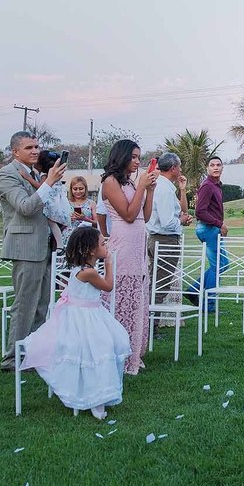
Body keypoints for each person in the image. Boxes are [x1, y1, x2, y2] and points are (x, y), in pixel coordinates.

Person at [20, 227, 132, 420]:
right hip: (82, 319)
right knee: (98, 349)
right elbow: (109, 286)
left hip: (92, 314)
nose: (106, 246)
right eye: (102, 244)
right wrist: (110, 263)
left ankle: (98, 394)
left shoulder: (83, 269)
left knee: (108, 345)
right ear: (91, 251)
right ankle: (95, 398)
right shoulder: (88, 272)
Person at [0, 132, 66, 371]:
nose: (35, 151)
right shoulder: (7, 174)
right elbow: (25, 207)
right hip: (26, 246)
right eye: (29, 147)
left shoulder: (36, 174)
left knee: (43, 302)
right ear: (15, 151)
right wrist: (47, 184)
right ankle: (12, 358)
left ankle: (33, 353)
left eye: (37, 146)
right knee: (25, 303)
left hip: (46, 244)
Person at [100, 139, 156, 374]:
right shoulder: (110, 182)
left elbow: (145, 215)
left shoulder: (131, 183)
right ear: (121, 156)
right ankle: (118, 353)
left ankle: (134, 351)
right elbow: (128, 215)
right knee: (122, 296)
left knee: (137, 298)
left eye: (138, 157)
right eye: (133, 157)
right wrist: (142, 185)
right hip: (122, 245)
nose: (137, 161)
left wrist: (149, 190)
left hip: (137, 244)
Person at [146, 152, 192, 305]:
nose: (180, 170)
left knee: (154, 282)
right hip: (165, 241)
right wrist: (181, 220)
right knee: (161, 285)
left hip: (155, 238)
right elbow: (167, 222)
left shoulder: (160, 185)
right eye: (179, 167)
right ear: (173, 168)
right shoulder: (164, 189)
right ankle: (152, 326)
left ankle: (148, 323)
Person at [195, 156, 229, 310]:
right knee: (218, 266)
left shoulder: (216, 186)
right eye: (212, 165)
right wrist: (220, 224)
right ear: (207, 168)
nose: (215, 167)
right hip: (207, 228)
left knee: (222, 264)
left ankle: (194, 290)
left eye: (218, 165)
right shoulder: (207, 186)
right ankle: (208, 304)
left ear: (222, 167)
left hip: (212, 229)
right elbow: (200, 211)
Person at [61, 175, 97, 248]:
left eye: (81, 189)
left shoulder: (91, 203)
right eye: (75, 189)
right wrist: (68, 220)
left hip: (86, 237)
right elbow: (58, 225)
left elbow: (97, 223)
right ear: (71, 189)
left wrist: (85, 218)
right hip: (68, 238)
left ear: (85, 189)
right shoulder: (65, 203)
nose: (78, 191)